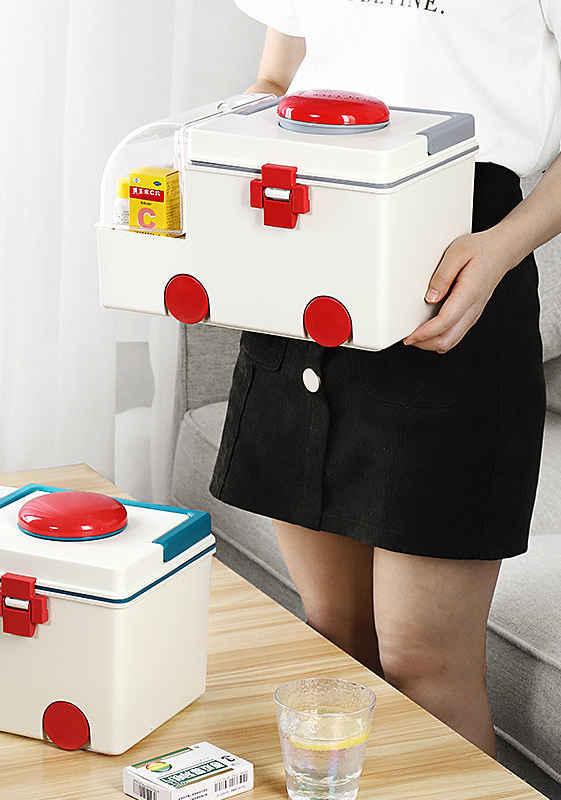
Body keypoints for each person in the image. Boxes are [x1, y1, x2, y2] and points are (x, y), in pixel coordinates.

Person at [209, 0, 561, 759]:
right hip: (307, 237)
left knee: (426, 668)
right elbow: (277, 75)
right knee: (334, 637)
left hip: (460, 265)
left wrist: (501, 248)